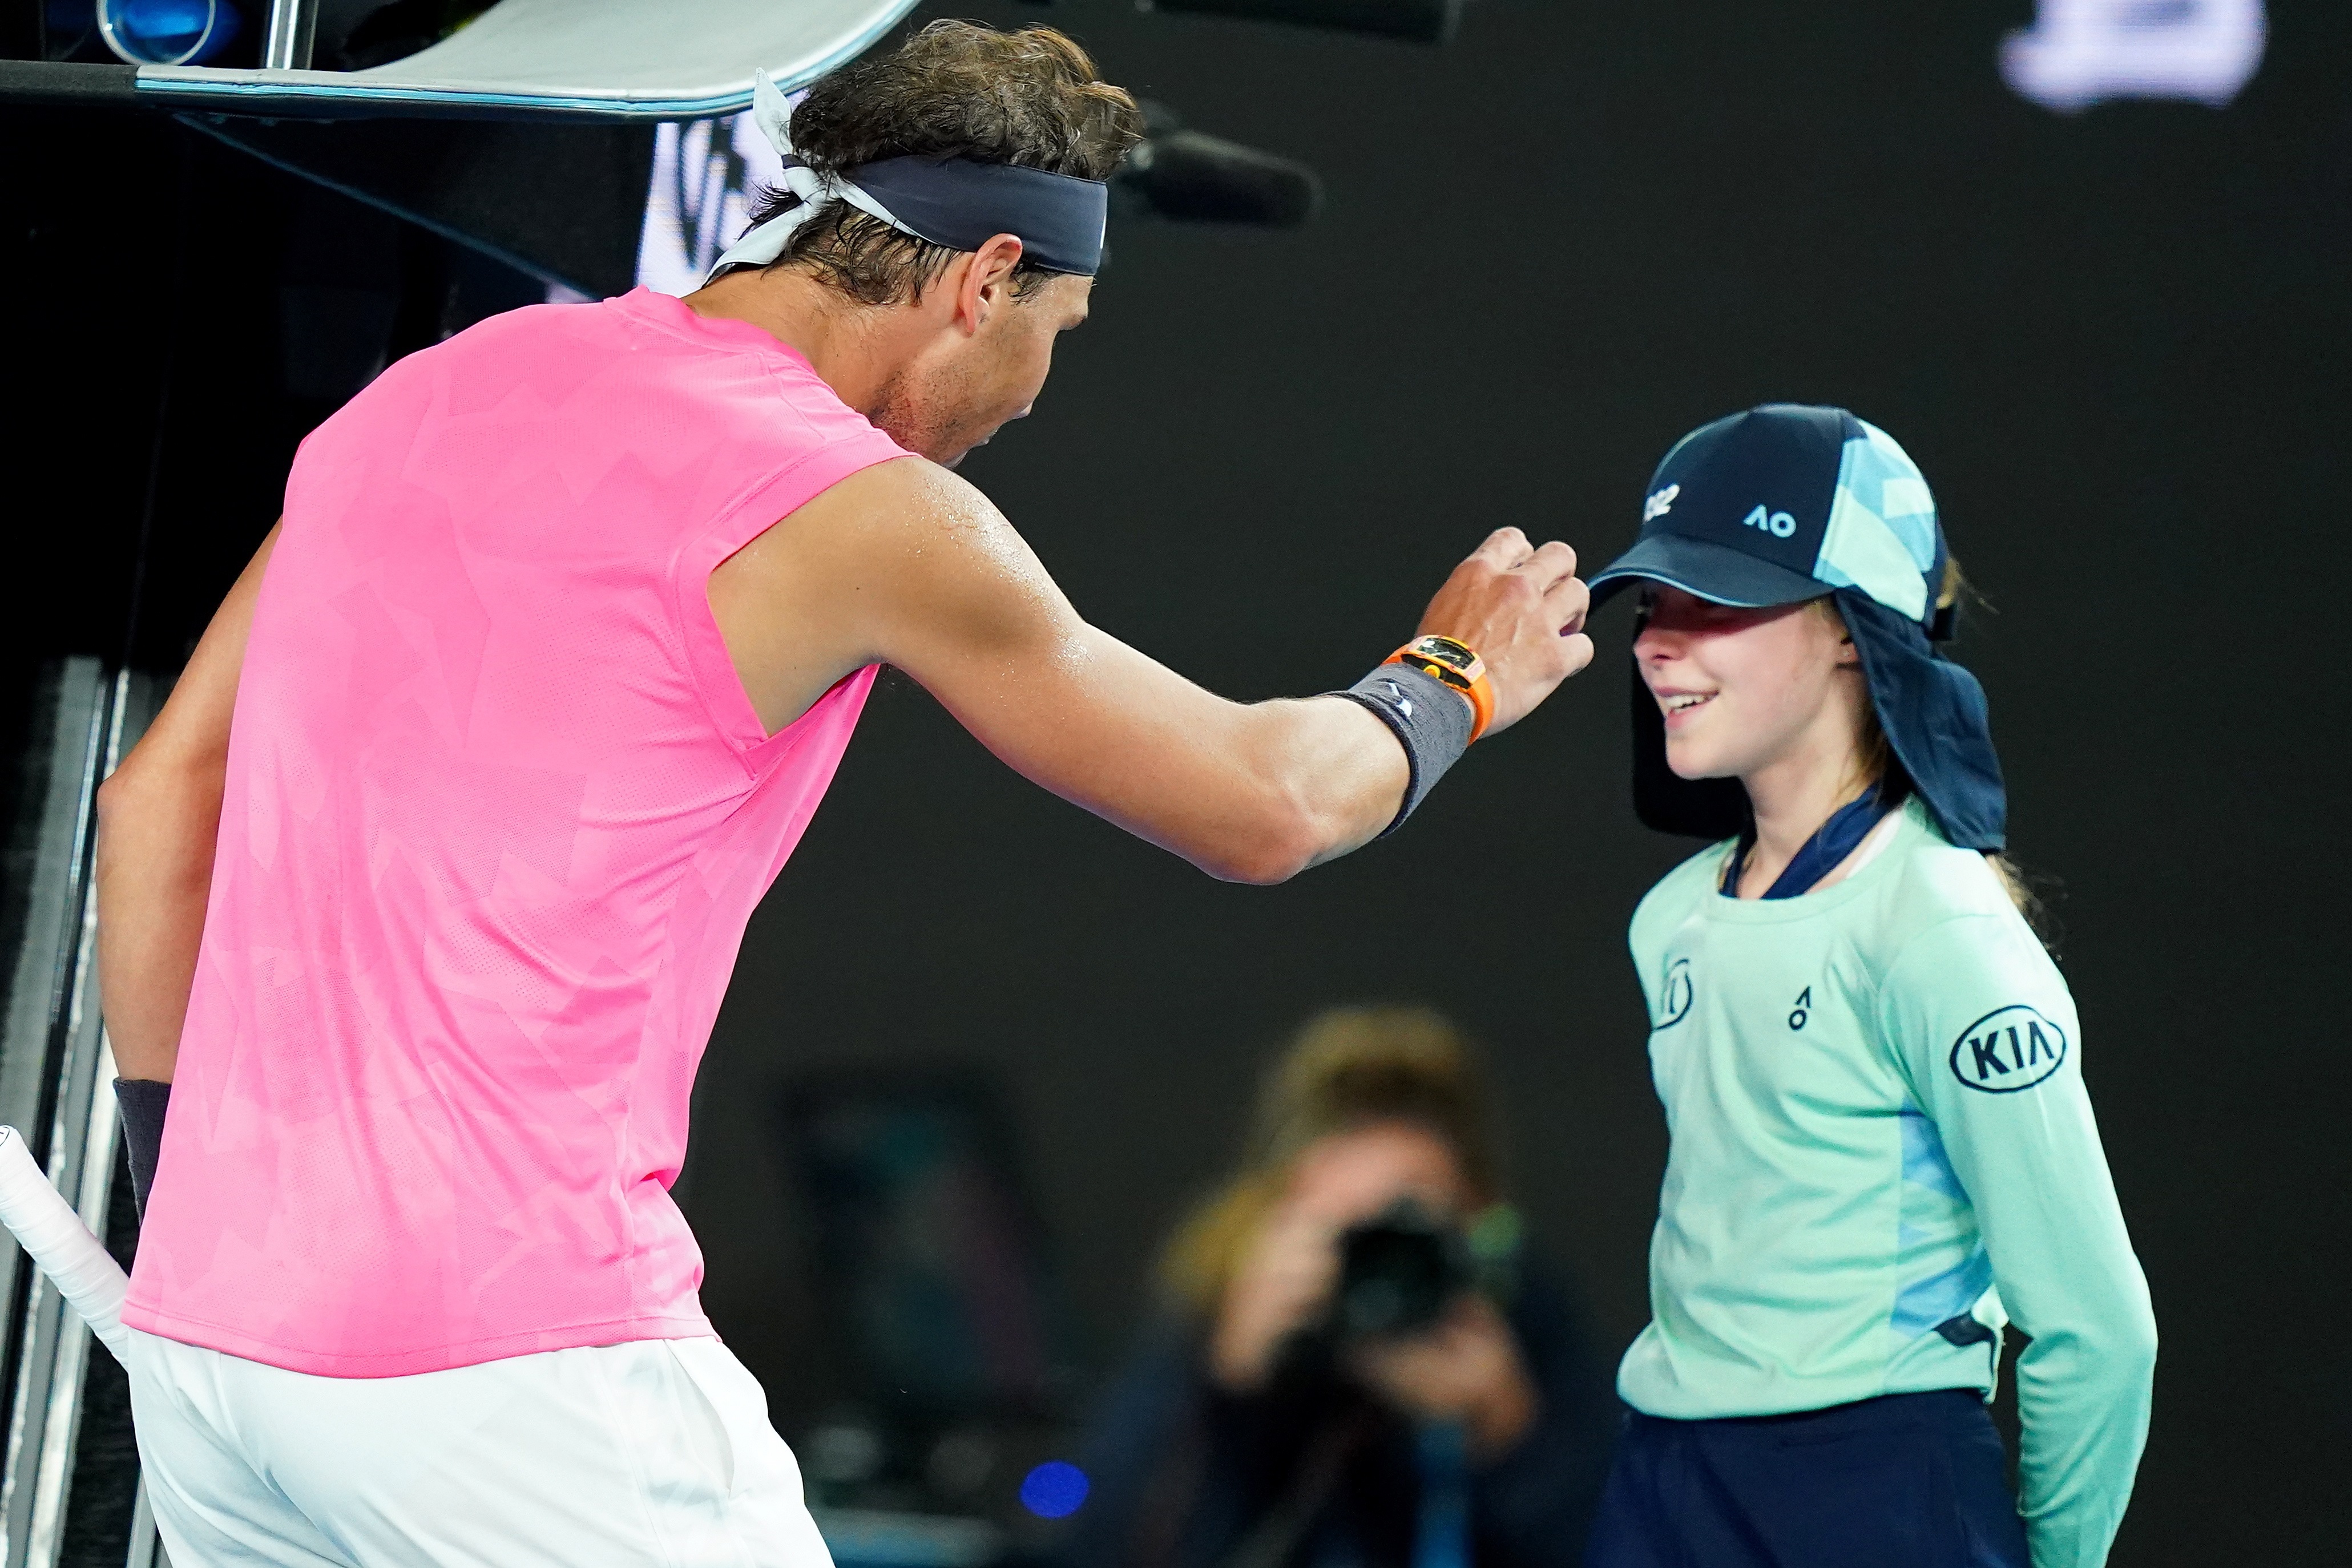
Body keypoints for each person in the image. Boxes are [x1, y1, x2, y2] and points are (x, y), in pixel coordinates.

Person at [87, 21, 1595, 1567]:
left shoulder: (427, 392)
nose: (1035, 396)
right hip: (514, 1369)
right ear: (982, 278)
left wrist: (199, 1216)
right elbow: (1263, 801)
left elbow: (153, 810)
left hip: (221, 1359)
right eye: (1059, 330)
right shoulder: (864, 511)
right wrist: (1452, 679)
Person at [1576, 406, 2157, 1568]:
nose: (1653, 644)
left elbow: (2095, 1330)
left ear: (1853, 627)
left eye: (1716, 601)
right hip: (1660, 1482)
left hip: (1875, 1490)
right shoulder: (1672, 922)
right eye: (1652, 603)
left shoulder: (1941, 937)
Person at [1064, 1006, 1613, 1568]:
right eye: (1343, 1229)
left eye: (1403, 1222)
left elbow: (1622, 1546)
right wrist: (1229, 1393)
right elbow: (1093, 1544)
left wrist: (1509, 1438)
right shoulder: (1224, 1330)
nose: (1373, 1259)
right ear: (1277, 1224)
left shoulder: (1520, 1328)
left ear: (1477, 1221)